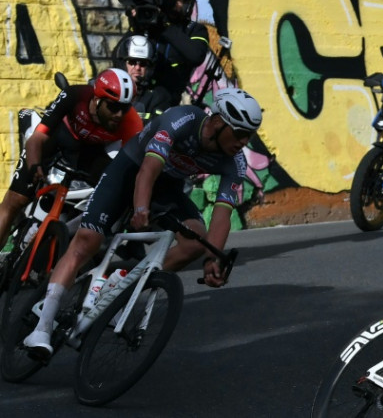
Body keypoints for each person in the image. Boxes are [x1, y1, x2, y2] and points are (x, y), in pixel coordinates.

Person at [22, 88, 263, 358]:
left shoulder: (235, 162)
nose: (244, 141)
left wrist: (213, 259)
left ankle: (123, 282)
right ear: (218, 122)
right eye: (240, 133)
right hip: (130, 169)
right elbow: (148, 170)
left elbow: (222, 214)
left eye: (250, 135)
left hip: (167, 187)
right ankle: (41, 329)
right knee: (87, 241)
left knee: (195, 240)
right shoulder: (182, 119)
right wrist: (140, 208)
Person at [0, 69, 142, 253]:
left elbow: (131, 167)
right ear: (97, 100)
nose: (119, 115)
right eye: (113, 107)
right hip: (59, 138)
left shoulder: (131, 122)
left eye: (125, 108)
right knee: (16, 199)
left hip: (91, 151)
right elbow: (37, 138)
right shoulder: (75, 95)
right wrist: (34, 166)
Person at [121, 0, 210, 105]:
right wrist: (135, 27)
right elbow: (118, 58)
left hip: (169, 101)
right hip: (138, 98)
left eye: (177, 0)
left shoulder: (194, 29)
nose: (172, 4)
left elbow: (196, 55)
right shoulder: (151, 23)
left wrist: (165, 26)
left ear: (188, 4)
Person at [114, 34, 174, 121]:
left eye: (143, 63)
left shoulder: (159, 96)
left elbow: (158, 125)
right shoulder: (112, 88)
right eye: (132, 62)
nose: (137, 67)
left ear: (150, 67)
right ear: (123, 64)